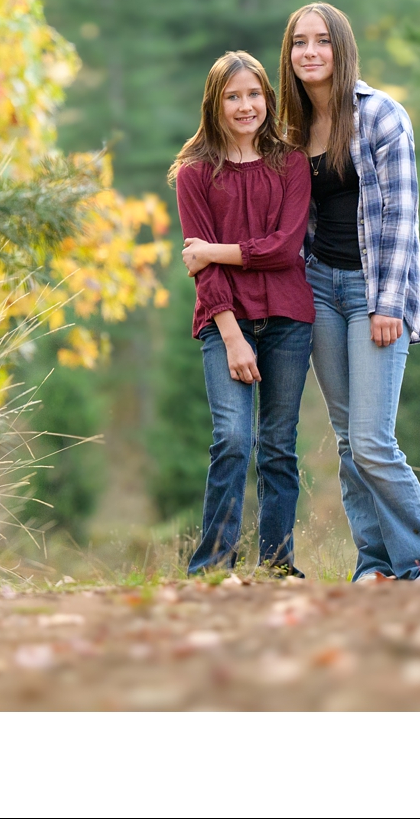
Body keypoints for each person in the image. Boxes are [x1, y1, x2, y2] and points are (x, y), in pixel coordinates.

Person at [278, 2, 420, 581]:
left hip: (371, 292)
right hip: (318, 290)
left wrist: (388, 303)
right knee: (346, 440)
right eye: (299, 42)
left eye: (321, 41)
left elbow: (402, 219)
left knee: (373, 440)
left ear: (340, 47)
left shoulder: (381, 115)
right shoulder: (290, 129)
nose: (310, 52)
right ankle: (375, 564)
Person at [171, 50, 314, 577]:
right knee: (232, 439)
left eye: (254, 94)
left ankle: (277, 568)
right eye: (233, 96)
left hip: (287, 319)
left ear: (268, 99)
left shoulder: (292, 163)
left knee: (278, 445)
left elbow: (284, 249)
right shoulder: (194, 173)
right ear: (215, 103)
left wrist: (213, 248)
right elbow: (200, 270)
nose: (245, 105)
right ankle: (211, 569)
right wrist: (231, 337)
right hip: (223, 319)